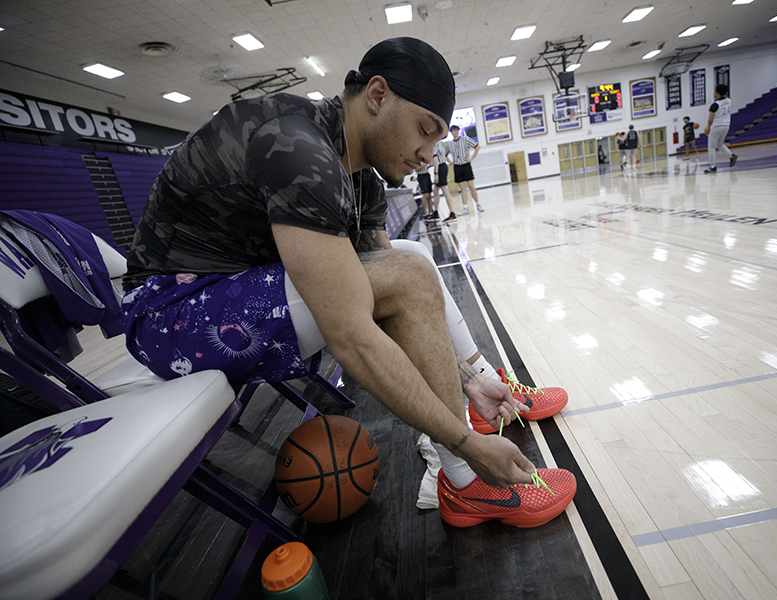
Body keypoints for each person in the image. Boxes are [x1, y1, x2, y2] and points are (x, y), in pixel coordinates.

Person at [122, 37, 575, 529]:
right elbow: (353, 336)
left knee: (411, 259)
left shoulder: (360, 173)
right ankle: (466, 480)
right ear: (376, 96)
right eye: (425, 131)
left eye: (438, 140)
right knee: (408, 275)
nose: (428, 154)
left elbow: (392, 287)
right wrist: (467, 444)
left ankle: (485, 383)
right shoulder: (298, 149)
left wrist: (466, 383)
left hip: (230, 289)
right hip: (171, 317)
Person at [446, 125, 483, 214]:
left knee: (471, 187)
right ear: (451, 132)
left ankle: (478, 204)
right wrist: (451, 162)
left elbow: (477, 146)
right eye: (453, 130)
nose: (455, 132)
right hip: (457, 167)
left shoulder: (465, 139)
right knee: (462, 188)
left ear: (458, 131)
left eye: (456, 130)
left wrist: (472, 158)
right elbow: (445, 154)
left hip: (466, 165)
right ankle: (465, 207)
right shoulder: (450, 144)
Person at [703, 83, 737, 174]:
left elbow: (710, 119)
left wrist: (708, 128)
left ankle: (712, 166)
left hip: (716, 126)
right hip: (726, 125)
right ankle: (731, 155)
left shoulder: (715, 105)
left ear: (717, 93)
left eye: (715, 91)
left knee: (711, 146)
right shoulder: (729, 101)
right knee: (720, 144)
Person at [432, 140, 456, 223]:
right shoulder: (439, 142)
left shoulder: (435, 143)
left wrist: (436, 173)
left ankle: (452, 213)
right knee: (435, 190)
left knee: (445, 191)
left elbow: (435, 158)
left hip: (440, 167)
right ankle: (436, 212)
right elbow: (444, 155)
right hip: (442, 166)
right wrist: (450, 162)